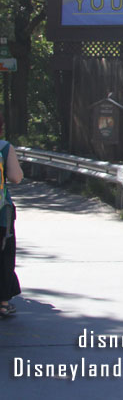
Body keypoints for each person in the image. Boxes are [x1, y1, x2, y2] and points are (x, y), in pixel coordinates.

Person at [0, 113, 23, 318]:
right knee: (4, 256)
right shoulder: (4, 147)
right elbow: (16, 177)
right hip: (1, 214)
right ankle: (3, 303)